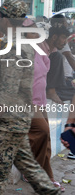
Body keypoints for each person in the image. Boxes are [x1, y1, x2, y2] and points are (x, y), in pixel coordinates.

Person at [0, 0, 61, 195]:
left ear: (7, 20)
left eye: (0, 15)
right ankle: (51, 191)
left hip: (9, 122)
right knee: (31, 169)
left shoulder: (13, 47)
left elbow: (9, 89)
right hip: (18, 119)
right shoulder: (21, 43)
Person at [24, 20, 67, 191]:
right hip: (26, 101)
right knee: (42, 132)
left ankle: (44, 176)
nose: (37, 33)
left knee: (46, 139)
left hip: (39, 100)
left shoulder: (40, 49)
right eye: (32, 30)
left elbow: (43, 75)